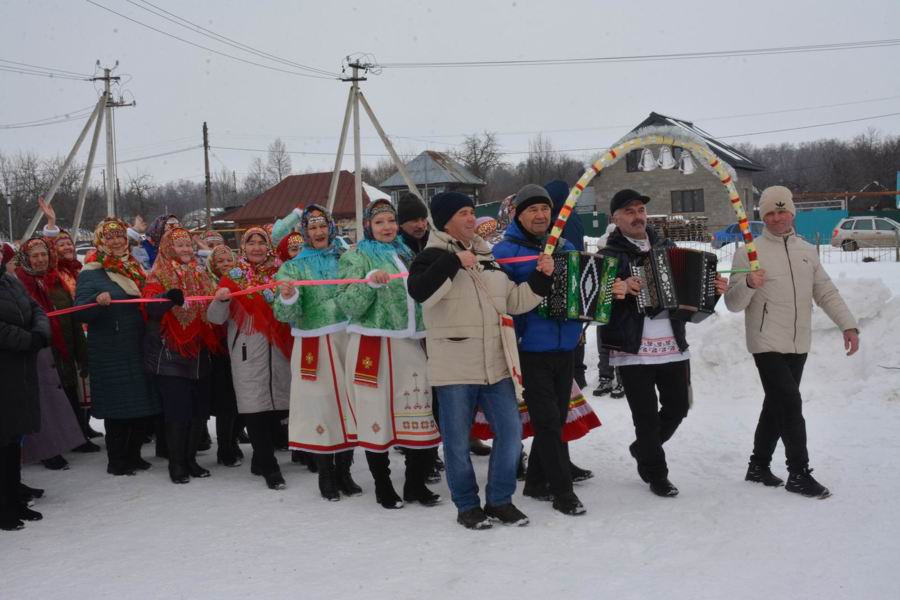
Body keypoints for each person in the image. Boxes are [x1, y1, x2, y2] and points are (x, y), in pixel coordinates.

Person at [407, 191, 554, 529]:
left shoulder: (486, 254)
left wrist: (541, 278)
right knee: (457, 441)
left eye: (472, 212)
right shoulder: (430, 255)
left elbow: (513, 302)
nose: (471, 219)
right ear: (445, 220)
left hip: (496, 363)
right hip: (455, 366)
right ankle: (467, 505)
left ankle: (500, 500)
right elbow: (421, 294)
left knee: (511, 432)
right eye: (463, 213)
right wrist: (454, 262)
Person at [724, 186, 859, 499]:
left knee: (776, 404)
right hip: (765, 340)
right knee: (790, 403)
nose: (776, 218)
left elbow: (825, 292)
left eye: (781, 211)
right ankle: (798, 472)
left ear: (792, 213)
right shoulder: (749, 252)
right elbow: (733, 303)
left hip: (798, 341)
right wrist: (748, 282)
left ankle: (757, 466)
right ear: (762, 216)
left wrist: (848, 324)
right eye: (770, 212)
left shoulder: (806, 251)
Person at [599, 189, 727, 498]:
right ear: (615, 218)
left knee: (678, 407)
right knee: (644, 416)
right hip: (632, 348)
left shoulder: (667, 247)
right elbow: (594, 303)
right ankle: (657, 474)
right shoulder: (608, 255)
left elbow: (692, 297)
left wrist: (714, 290)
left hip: (672, 343)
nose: (637, 215)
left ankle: (642, 448)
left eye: (641, 209)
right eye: (629, 211)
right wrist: (617, 288)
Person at [335, 199, 441, 509]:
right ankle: (383, 485)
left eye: (391, 221)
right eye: (380, 222)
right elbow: (347, 304)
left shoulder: (405, 253)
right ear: (369, 225)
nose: (387, 227)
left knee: (419, 409)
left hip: (408, 344)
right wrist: (369, 284)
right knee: (375, 415)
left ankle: (414, 483)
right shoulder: (356, 256)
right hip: (373, 345)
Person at [493, 184, 589, 515]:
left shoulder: (565, 245)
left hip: (565, 347)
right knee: (548, 422)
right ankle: (564, 493)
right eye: (532, 210)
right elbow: (504, 302)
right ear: (518, 215)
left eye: (545, 209)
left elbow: (579, 289)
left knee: (557, 417)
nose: (540, 215)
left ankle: (535, 481)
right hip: (529, 349)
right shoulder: (504, 253)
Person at [274, 204, 361, 501]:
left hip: (347, 338)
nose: (318, 232)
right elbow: (284, 314)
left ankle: (345, 471)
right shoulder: (293, 266)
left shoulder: (346, 258)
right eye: (312, 228)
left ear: (331, 227)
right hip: (313, 342)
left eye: (322, 226)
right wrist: (288, 296)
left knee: (349, 403)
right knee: (321, 406)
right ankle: (326, 473)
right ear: (304, 232)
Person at [207, 227, 292, 490]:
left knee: (277, 406)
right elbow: (214, 318)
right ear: (243, 247)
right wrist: (220, 300)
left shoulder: (282, 273)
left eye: (261, 242)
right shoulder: (233, 276)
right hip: (246, 351)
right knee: (254, 408)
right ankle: (269, 465)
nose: (256, 247)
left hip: (279, 350)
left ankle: (260, 457)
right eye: (251, 243)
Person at [75, 218, 160, 476]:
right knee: (117, 408)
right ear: (100, 240)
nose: (116, 241)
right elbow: (80, 311)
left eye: (120, 236)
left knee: (140, 405)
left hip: (136, 344)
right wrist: (95, 301)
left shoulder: (134, 268)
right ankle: (117, 460)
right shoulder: (91, 271)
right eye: (110, 237)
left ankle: (134, 455)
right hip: (110, 349)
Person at [142, 228, 221, 484]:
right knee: (178, 411)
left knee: (199, 410)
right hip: (171, 355)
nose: (186, 249)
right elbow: (149, 309)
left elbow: (212, 302)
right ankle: (176, 464)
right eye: (180, 245)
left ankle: (190, 459)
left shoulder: (201, 273)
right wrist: (167, 298)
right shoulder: (159, 274)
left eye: (188, 245)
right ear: (168, 248)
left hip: (200, 351)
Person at [15, 236, 88, 469]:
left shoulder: (56, 280)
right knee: (46, 401)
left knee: (68, 391)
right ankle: (48, 449)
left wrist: (80, 351)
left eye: (44, 255)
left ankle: (75, 437)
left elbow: (71, 313)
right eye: (34, 256)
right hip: (40, 350)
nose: (40, 260)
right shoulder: (21, 283)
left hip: (64, 344)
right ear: (26, 259)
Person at [0, 242, 50, 530]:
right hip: (6, 367)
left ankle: (13, 496)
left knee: (11, 439)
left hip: (19, 372)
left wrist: (40, 333)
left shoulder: (10, 279)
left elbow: (36, 309)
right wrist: (28, 340)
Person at [544, 179, 589, 389]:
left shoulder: (564, 221)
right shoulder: (569, 217)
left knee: (571, 321)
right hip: (575, 272)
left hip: (569, 274)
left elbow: (567, 251)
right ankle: (577, 372)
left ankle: (576, 374)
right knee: (574, 321)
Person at [205, 243, 243, 467]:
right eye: (220, 261)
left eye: (229, 260)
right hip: (219, 350)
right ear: (212, 264)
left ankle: (234, 439)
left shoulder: (241, 280)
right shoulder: (208, 283)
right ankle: (224, 448)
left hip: (241, 347)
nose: (226, 265)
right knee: (226, 404)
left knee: (244, 402)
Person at [593, 223, 624, 399]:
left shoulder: (626, 253)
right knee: (603, 345)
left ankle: (622, 379)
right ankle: (605, 377)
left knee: (619, 346)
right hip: (602, 307)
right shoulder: (602, 250)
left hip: (620, 307)